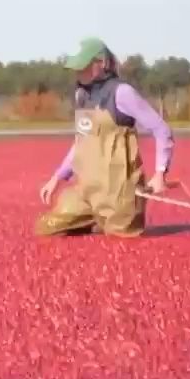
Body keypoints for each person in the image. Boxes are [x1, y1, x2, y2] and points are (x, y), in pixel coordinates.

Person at [36, 37, 175, 239]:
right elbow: (81, 142)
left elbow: (162, 130)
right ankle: (94, 219)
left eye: (82, 66)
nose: (77, 72)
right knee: (46, 227)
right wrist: (57, 178)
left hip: (118, 194)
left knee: (120, 240)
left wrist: (160, 174)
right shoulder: (83, 95)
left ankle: (106, 220)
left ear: (100, 64)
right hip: (88, 191)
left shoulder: (122, 93)